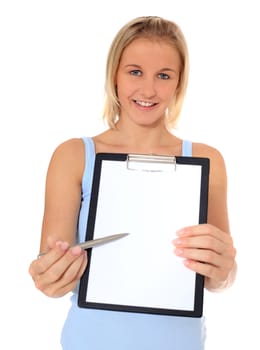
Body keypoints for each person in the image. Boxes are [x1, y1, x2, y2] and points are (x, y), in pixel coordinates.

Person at [29, 16, 237, 350]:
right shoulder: (73, 156)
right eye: (135, 71)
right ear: (114, 74)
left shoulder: (207, 160)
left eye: (164, 76)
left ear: (179, 83)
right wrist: (49, 275)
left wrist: (225, 268)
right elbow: (53, 279)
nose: (148, 90)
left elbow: (218, 279)